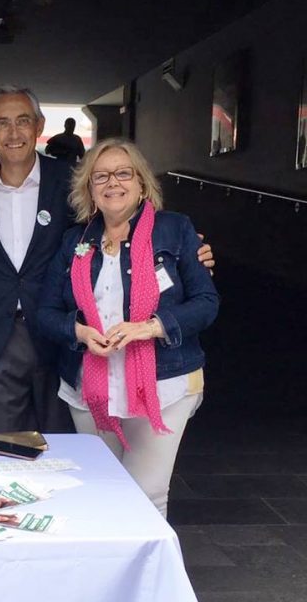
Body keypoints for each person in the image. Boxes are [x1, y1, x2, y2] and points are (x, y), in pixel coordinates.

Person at [0, 84, 216, 435]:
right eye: (2, 123)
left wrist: (186, 251)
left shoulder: (71, 180)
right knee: (2, 448)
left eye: (23, 121)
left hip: (67, 341)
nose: (14, 133)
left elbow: (123, 221)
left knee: (69, 450)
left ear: (39, 125)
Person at [36, 138, 219, 517]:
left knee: (146, 493)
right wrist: (79, 332)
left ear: (141, 183)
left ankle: (148, 559)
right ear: (89, 188)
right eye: (100, 176)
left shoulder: (175, 230)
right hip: (91, 387)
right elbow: (47, 312)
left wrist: (150, 327)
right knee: (103, 490)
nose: (112, 183)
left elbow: (206, 303)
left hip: (163, 384)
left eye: (123, 173)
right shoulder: (75, 240)